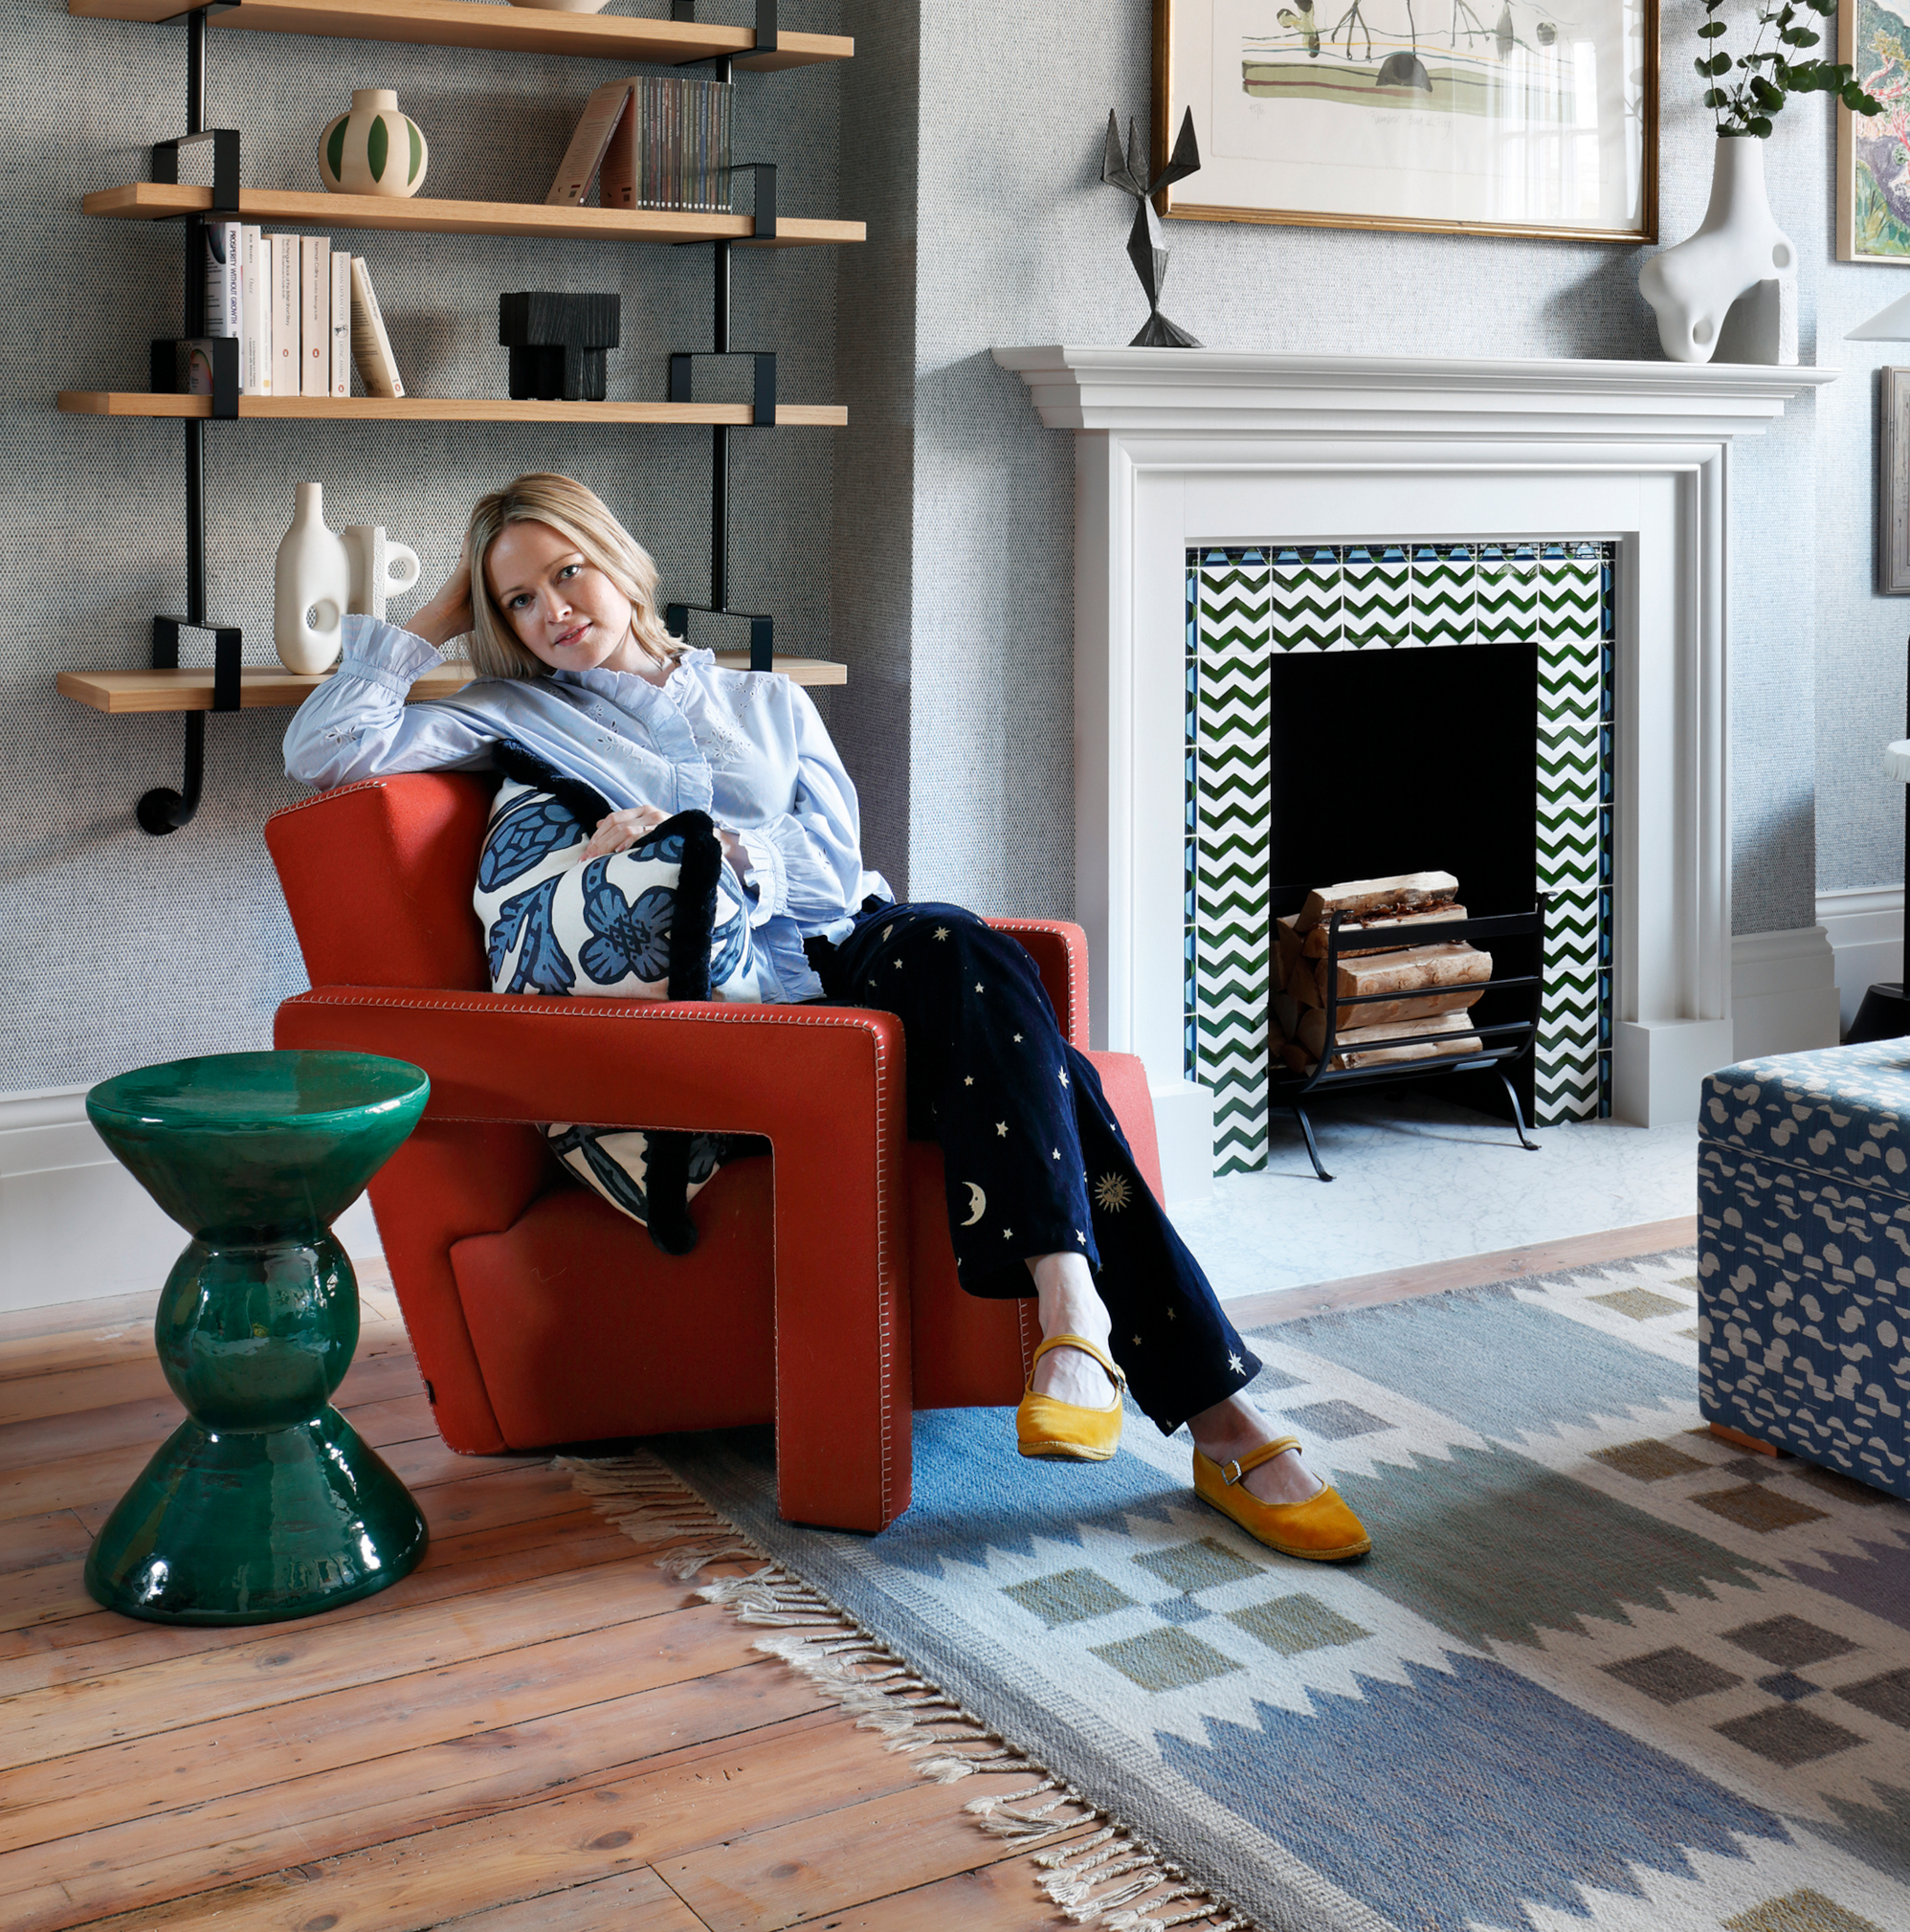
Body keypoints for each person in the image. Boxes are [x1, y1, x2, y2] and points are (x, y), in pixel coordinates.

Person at [283, 472, 1366, 1562]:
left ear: (619, 558)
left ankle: (1089, 1326)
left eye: (567, 571)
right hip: (753, 1017)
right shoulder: (517, 711)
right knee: (1050, 1059)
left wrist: (709, 842)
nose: (553, 611)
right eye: (517, 599)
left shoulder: (768, 699)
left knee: (958, 944)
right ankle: (1204, 1406)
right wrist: (439, 614)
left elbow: (833, 872)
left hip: (850, 951)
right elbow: (325, 751)